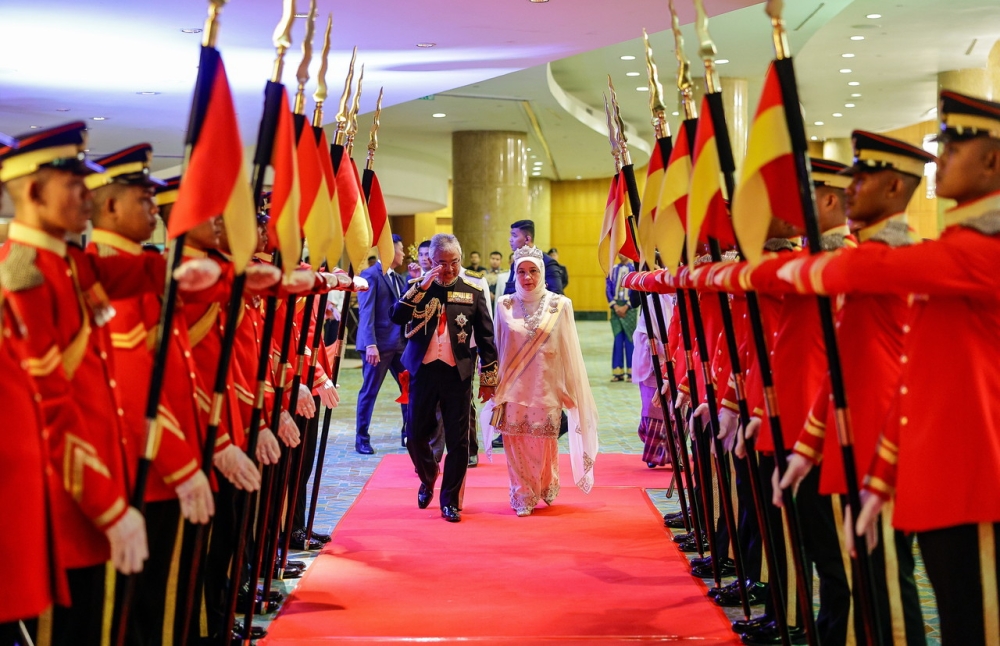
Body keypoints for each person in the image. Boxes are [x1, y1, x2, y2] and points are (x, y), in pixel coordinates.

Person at [778, 90, 1000, 646]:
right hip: (940, 473)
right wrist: (882, 473)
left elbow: (857, 270)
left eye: (953, 147)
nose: (941, 158)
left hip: (980, 480)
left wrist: (726, 275)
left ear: (993, 160)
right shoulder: (953, 250)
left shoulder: (979, 251)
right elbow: (914, 377)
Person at [390, 234, 498, 523]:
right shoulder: (418, 287)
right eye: (442, 263)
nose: (449, 269)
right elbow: (397, 317)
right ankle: (428, 476)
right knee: (414, 435)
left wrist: (489, 379)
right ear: (430, 261)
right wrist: (420, 288)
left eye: (454, 262)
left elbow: (487, 339)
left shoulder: (472, 290)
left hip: (457, 374)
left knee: (458, 442)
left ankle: (449, 501)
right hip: (423, 372)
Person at [484, 245, 598, 516]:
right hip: (512, 389)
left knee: (543, 445)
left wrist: (570, 388)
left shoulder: (560, 305)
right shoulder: (504, 305)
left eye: (533, 271)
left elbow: (570, 350)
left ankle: (544, 485)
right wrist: (490, 383)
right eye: (521, 271)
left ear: (543, 272)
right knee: (515, 445)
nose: (527, 277)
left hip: (546, 388)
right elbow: (496, 347)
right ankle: (522, 494)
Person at [355, 234, 408, 454]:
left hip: (400, 345)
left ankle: (408, 434)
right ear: (390, 251)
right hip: (378, 345)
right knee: (369, 391)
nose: (404, 254)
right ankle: (362, 439)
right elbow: (366, 311)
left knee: (409, 389)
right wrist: (370, 344)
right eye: (401, 249)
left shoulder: (400, 279)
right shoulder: (370, 275)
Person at [504, 219, 563, 295]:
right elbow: (508, 293)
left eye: (514, 236)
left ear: (527, 239)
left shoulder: (547, 263)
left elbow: (556, 295)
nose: (510, 239)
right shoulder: (515, 263)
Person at [606, 253, 636, 382]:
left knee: (629, 339)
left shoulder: (634, 269)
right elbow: (608, 288)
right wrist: (615, 306)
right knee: (618, 338)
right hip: (616, 308)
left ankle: (631, 372)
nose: (621, 255)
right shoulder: (612, 269)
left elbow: (636, 290)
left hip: (630, 309)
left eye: (624, 252)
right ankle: (617, 372)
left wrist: (627, 306)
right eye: (619, 252)